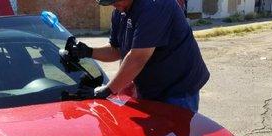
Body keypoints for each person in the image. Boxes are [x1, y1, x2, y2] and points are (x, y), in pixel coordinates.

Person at [63, 0, 209, 112]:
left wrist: (107, 90)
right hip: (150, 88)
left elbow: (138, 57)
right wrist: (88, 51)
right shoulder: (120, 11)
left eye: (116, 0)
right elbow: (117, 49)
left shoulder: (155, 6)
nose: (114, 5)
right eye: (110, 2)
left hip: (177, 89)